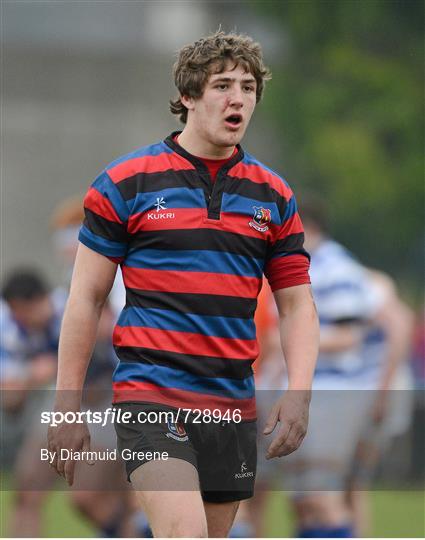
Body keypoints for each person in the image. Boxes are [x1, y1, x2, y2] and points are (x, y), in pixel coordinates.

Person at [48, 30, 319, 538]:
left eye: (248, 87)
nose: (237, 97)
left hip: (231, 403)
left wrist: (299, 393)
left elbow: (298, 306)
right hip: (150, 395)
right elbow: (85, 298)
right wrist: (67, 405)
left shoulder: (274, 195)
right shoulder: (127, 181)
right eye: (222, 85)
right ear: (189, 96)